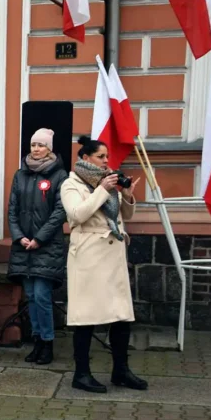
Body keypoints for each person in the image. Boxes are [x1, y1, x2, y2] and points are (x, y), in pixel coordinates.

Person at [61, 135, 147, 394]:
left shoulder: (107, 184)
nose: (106, 162)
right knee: (85, 318)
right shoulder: (71, 184)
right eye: (101, 157)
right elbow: (76, 214)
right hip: (88, 256)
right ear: (85, 158)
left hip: (113, 255)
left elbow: (124, 215)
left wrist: (128, 196)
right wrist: (103, 189)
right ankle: (81, 374)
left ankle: (121, 370)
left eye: (107, 157)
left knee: (121, 316)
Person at [7, 128, 69, 365]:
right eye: (33, 145)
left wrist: (39, 238)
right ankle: (36, 342)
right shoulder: (20, 174)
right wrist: (18, 235)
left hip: (46, 245)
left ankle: (48, 342)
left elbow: (59, 212)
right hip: (23, 245)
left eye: (41, 145)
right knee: (31, 296)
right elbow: (12, 208)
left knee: (42, 296)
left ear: (49, 148)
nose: (36, 149)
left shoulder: (59, 175)